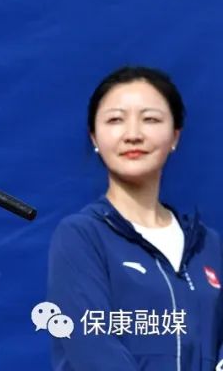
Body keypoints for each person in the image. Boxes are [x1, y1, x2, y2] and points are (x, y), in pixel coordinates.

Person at [48, 66, 223, 370]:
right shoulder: (81, 236)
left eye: (150, 119)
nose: (133, 135)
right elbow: (94, 353)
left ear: (175, 135)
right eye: (115, 120)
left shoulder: (208, 244)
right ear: (94, 136)